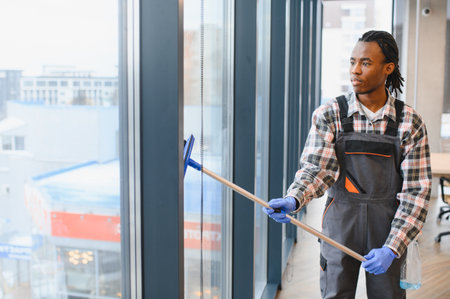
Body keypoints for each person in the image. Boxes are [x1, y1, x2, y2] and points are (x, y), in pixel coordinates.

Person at [263, 30, 431, 299]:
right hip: (340, 224)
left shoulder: (409, 122)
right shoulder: (330, 114)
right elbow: (318, 169)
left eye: (365, 63)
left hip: (388, 226)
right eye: (352, 62)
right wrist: (294, 199)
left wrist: (393, 247)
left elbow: (417, 192)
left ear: (388, 68)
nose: (355, 70)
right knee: (335, 294)